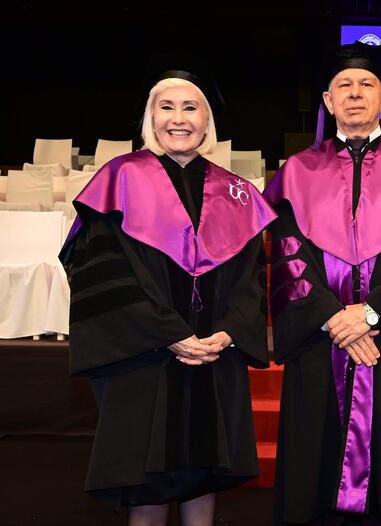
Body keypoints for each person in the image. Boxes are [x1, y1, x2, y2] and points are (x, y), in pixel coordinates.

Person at [59, 69, 277, 525]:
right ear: (150, 118)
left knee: (204, 471)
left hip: (215, 354)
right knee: (147, 477)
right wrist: (168, 333)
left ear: (207, 122)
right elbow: (103, 273)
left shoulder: (235, 192)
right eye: (167, 107)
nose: (179, 119)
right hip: (142, 354)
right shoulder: (119, 179)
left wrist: (230, 332)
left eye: (190, 108)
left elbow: (250, 278)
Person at [264, 42, 381, 525]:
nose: (354, 94)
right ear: (327, 101)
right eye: (343, 86)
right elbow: (287, 252)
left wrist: (370, 313)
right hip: (318, 340)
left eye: (366, 84)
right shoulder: (295, 174)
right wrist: (331, 315)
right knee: (313, 468)